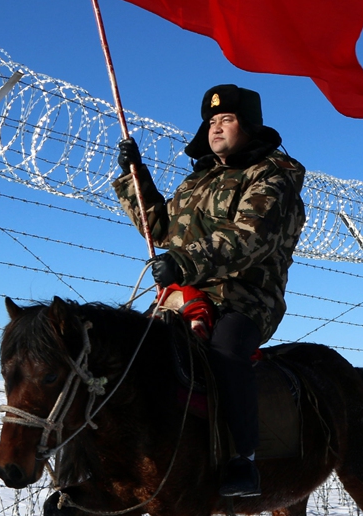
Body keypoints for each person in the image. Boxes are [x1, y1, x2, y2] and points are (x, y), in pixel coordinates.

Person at [115, 85, 306, 498]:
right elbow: (162, 229)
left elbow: (252, 236)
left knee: (226, 351)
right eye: (212, 121)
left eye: (228, 119)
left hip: (246, 297)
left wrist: (185, 263)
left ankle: (243, 459)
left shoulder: (272, 178)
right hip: (186, 294)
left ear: (250, 127)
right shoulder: (196, 180)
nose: (217, 127)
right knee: (128, 353)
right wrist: (136, 179)